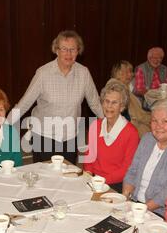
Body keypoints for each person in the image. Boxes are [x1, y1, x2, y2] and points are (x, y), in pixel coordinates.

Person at [7, 30, 103, 165]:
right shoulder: (43, 73)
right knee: (43, 180)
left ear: (78, 51)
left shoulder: (84, 73)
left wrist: (111, 122)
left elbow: (95, 103)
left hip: (70, 137)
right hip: (44, 136)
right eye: (64, 49)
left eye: (72, 49)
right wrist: (5, 125)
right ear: (56, 50)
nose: (68, 54)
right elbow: (24, 103)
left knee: (67, 179)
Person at [122, 98, 167, 217]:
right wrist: (125, 199)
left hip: (160, 213)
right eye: (154, 121)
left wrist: (140, 210)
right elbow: (132, 171)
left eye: (165, 121)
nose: (158, 126)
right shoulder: (147, 139)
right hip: (136, 205)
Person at [83, 80, 139, 192]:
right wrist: (88, 175)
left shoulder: (131, 133)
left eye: (114, 103)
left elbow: (126, 169)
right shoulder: (95, 125)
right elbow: (89, 157)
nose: (109, 106)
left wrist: (101, 181)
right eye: (106, 101)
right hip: (94, 180)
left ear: (122, 107)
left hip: (116, 185)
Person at [111, 60, 151, 137]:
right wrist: (152, 118)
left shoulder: (124, 87)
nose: (132, 75)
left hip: (130, 124)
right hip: (133, 126)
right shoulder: (120, 89)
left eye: (131, 72)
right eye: (128, 72)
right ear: (119, 73)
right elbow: (138, 115)